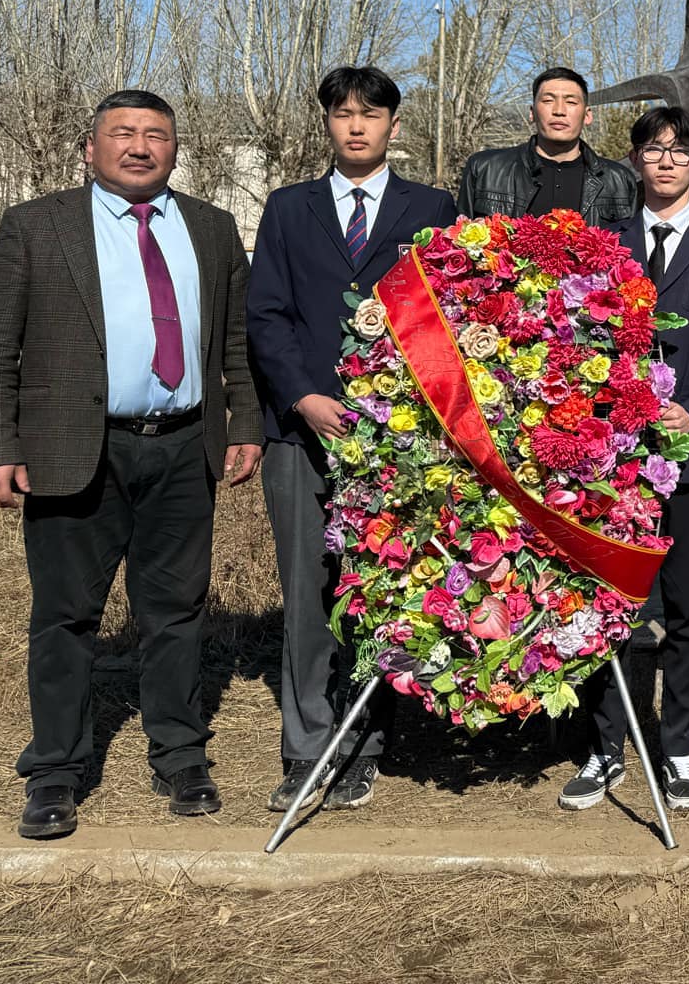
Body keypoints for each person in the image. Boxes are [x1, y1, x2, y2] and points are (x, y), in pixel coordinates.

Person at [0, 89, 263, 840]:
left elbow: (234, 344)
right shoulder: (38, 226)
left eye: (155, 135)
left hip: (184, 445)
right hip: (74, 452)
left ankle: (181, 755)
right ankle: (56, 771)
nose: (139, 146)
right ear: (90, 148)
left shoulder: (212, 228)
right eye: (122, 133)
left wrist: (245, 423)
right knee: (65, 617)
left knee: (176, 612)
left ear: (174, 148)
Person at [247, 65, 457, 814]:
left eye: (372, 114)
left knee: (376, 590)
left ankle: (363, 743)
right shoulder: (288, 208)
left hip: (397, 440)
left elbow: (448, 315)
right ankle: (306, 747)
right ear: (328, 124)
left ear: (394, 125)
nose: (358, 126)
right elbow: (266, 314)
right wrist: (304, 399)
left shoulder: (433, 207)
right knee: (308, 593)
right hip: (303, 436)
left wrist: (394, 407)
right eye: (344, 114)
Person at [563, 107, 689, 816]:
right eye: (655, 149)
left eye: (682, 151)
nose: (668, 161)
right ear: (636, 159)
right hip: (611, 466)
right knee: (609, 603)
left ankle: (679, 750)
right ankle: (605, 748)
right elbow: (574, 345)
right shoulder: (603, 244)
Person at [453, 67, 640, 224]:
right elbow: (458, 248)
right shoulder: (486, 169)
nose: (559, 111)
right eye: (548, 100)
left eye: (571, 102)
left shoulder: (619, 181)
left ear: (587, 115)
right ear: (532, 113)